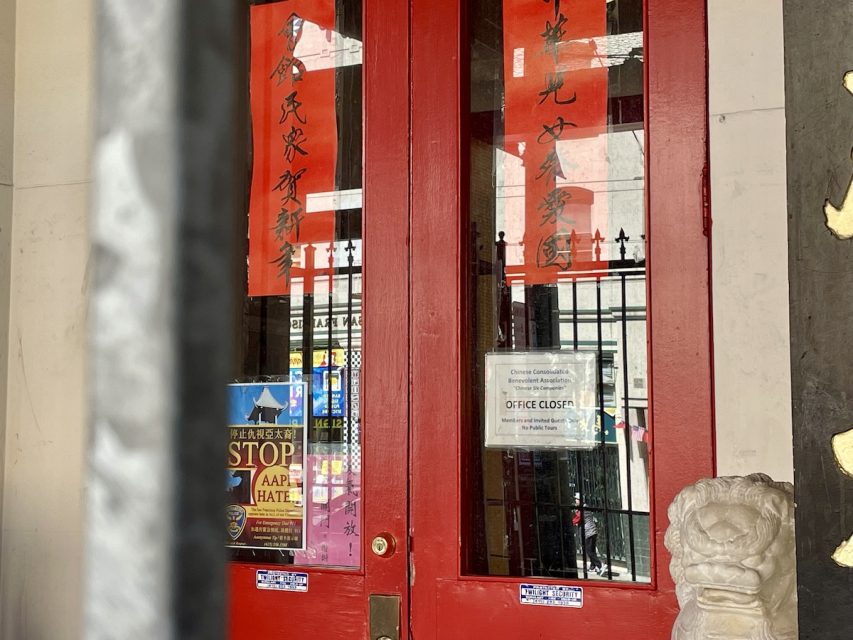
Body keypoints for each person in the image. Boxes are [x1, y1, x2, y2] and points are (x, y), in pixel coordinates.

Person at [573, 494, 606, 576]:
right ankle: (593, 566)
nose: (575, 501)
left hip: (589, 532)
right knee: (592, 550)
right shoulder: (585, 507)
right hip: (592, 531)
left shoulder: (582, 509)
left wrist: (571, 522)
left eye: (576, 499)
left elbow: (577, 519)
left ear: (580, 500)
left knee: (589, 551)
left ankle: (600, 565)